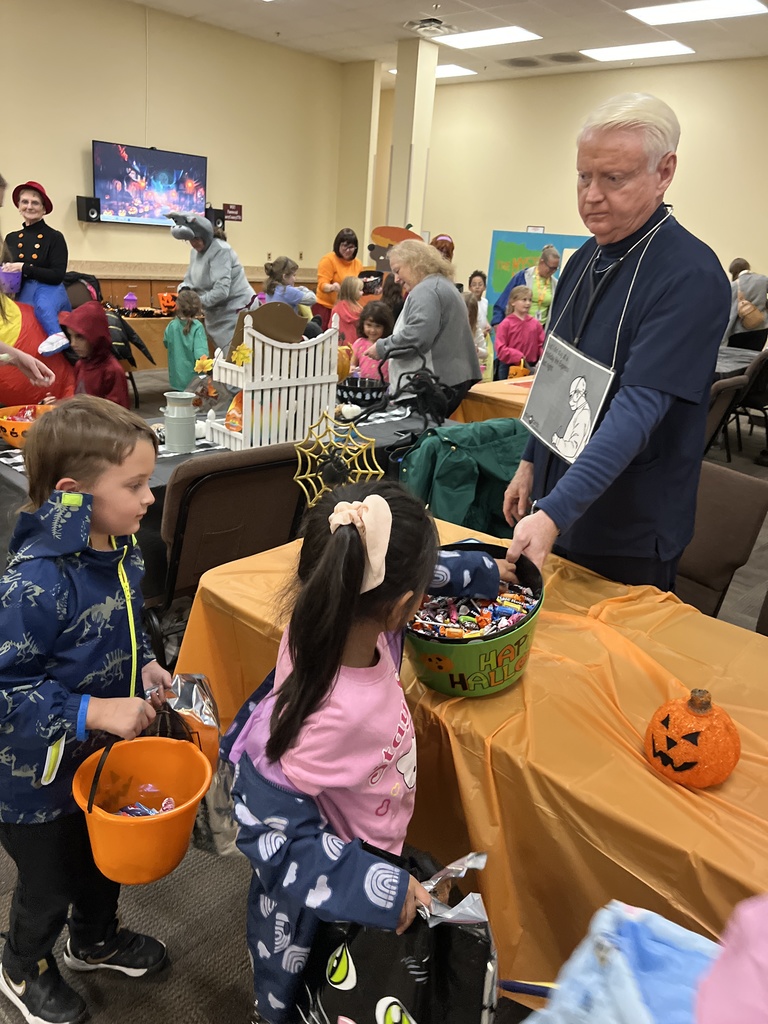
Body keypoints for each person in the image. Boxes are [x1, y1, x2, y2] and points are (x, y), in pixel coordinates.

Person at [225, 480, 512, 1024]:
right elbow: (268, 832)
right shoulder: (329, 715)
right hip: (320, 900)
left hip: (366, 853)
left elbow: (400, 574)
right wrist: (375, 885)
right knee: (310, 995)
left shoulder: (346, 624)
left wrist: (482, 573)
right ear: (402, 606)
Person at [503, 92, 731, 590]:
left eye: (614, 179)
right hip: (554, 507)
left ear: (665, 171)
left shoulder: (690, 276)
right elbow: (558, 376)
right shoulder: (582, 258)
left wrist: (555, 510)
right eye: (584, 176)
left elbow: (639, 408)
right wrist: (528, 464)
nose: (591, 195)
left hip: (626, 527)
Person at [0, 396, 172, 1024]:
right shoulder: (35, 583)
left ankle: (94, 939)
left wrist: (149, 661)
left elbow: (132, 622)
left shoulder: (121, 547)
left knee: (102, 858)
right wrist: (94, 712)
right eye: (134, 485)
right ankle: (23, 962)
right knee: (49, 882)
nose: (149, 498)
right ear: (72, 493)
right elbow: (6, 694)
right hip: (34, 781)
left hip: (99, 761)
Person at [365, 239, 481, 414]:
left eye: (397, 271)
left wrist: (382, 348)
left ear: (414, 262)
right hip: (452, 380)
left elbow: (417, 337)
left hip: (430, 385)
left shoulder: (426, 290)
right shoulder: (442, 285)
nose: (396, 279)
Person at [168, 213, 257, 355]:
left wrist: (195, 302)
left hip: (236, 310)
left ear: (205, 235)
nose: (193, 243)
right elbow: (189, 280)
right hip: (215, 313)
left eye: (196, 239)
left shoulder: (221, 250)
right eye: (190, 239)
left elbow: (222, 291)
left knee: (237, 358)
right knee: (224, 359)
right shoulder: (194, 252)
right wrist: (184, 290)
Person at [2, 181, 71, 355]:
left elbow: (56, 275)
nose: (29, 206)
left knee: (42, 307)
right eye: (24, 202)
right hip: (20, 292)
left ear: (43, 209)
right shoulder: (11, 238)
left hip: (48, 289)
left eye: (35, 203)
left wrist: (23, 267)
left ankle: (56, 335)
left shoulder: (54, 237)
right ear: (18, 206)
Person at [59, 301, 130, 408]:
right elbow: (79, 400)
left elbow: (118, 414)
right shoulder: (80, 365)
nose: (73, 344)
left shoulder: (112, 370)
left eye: (80, 337)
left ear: (96, 337)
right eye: (70, 336)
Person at [491, 244, 560, 328]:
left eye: (555, 268)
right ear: (542, 262)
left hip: (540, 330)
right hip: (518, 327)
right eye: (551, 268)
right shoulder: (523, 276)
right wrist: (497, 322)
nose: (553, 271)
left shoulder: (555, 284)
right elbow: (504, 300)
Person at [314, 228, 363, 330]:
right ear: (338, 245)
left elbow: (358, 287)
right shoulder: (328, 260)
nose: (348, 250)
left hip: (347, 309)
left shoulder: (357, 263)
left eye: (351, 247)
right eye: (344, 246)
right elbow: (322, 285)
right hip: (326, 308)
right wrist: (332, 287)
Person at [163, 288, 209, 392]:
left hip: (176, 380)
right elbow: (201, 355)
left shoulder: (172, 325)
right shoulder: (197, 327)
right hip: (194, 382)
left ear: (177, 306)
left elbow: (166, 343)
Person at [495, 285, 546, 376]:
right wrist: (516, 355)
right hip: (509, 367)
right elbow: (500, 348)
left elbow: (541, 344)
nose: (527, 303)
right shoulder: (506, 324)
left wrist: (542, 358)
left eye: (530, 300)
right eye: (524, 300)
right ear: (513, 302)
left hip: (530, 366)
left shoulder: (535, 324)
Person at [724, 257, 768, 351]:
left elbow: (731, 315)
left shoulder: (734, 286)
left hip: (740, 332)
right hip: (761, 328)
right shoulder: (763, 279)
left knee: (737, 362)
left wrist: (724, 339)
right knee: (753, 361)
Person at [350, 300, 393, 381]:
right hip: (364, 388)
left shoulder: (388, 344)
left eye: (377, 326)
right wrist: (351, 369)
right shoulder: (359, 344)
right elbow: (352, 364)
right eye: (369, 325)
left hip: (385, 389)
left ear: (385, 327)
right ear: (363, 324)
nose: (373, 330)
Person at [333, 275, 363, 346]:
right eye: (360, 290)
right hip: (356, 345)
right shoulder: (359, 310)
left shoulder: (336, 308)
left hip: (339, 346)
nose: (362, 293)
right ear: (353, 291)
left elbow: (330, 327)